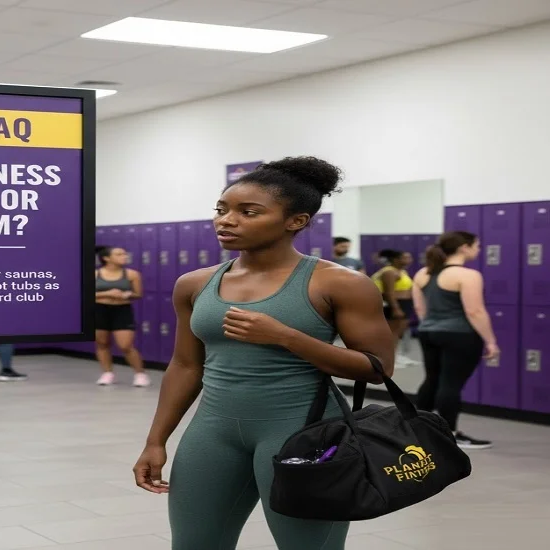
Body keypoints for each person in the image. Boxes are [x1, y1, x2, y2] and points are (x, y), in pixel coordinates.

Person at [132, 157, 395, 550]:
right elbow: (186, 365)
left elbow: (376, 370)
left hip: (304, 432)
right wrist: (156, 439)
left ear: (297, 221)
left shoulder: (340, 283)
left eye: (247, 212)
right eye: (221, 210)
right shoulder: (194, 284)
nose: (226, 220)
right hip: (214, 432)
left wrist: (287, 336)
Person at [412, 231, 498, 450]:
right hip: (459, 335)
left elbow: (420, 308)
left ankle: (418, 430)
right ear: (464, 248)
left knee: (431, 380)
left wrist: (432, 326)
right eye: (477, 245)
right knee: (450, 384)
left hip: (428, 332)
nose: (479, 250)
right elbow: (475, 311)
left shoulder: (424, 272)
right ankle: (449, 434)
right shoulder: (468, 276)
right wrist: (490, 341)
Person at [95, 246, 150, 387]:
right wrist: (108, 293)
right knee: (102, 344)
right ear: (107, 258)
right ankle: (107, 373)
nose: (124, 256)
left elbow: (138, 294)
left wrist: (127, 294)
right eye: (119, 254)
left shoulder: (132, 274)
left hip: (122, 310)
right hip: (98, 310)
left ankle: (140, 374)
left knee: (125, 345)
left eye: (125, 253)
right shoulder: (95, 274)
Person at [371, 249, 415, 344]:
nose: (409, 260)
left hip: (404, 304)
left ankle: (392, 356)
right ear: (395, 260)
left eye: (409, 257)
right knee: (392, 334)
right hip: (396, 304)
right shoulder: (389, 272)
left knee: (397, 334)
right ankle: (389, 357)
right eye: (405, 258)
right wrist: (396, 308)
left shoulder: (401, 271)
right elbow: (388, 292)